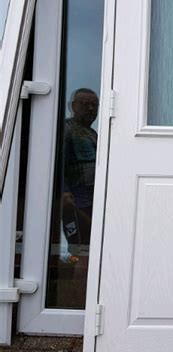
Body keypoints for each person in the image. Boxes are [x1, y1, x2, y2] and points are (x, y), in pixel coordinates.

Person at [62, 88, 99, 249]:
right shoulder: (66, 129)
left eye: (94, 105)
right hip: (75, 202)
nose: (90, 109)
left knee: (91, 245)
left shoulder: (92, 133)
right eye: (85, 104)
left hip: (92, 202)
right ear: (73, 106)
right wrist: (63, 191)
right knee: (79, 247)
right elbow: (57, 164)